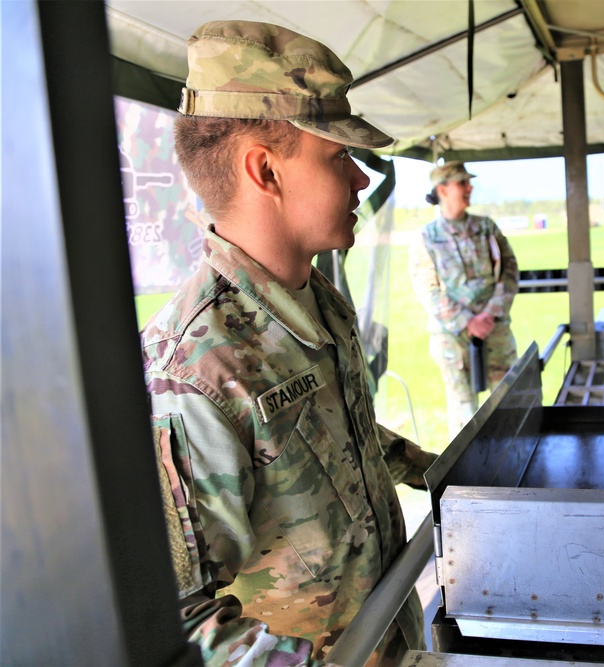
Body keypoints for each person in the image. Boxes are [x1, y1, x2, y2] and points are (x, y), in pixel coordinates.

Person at [141, 21, 436, 666]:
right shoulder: (196, 371)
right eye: (338, 157)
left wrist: (436, 470)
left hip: (390, 636)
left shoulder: (316, 298)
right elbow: (180, 620)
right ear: (264, 170)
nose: (361, 181)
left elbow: (330, 433)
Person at [409, 162, 519, 437]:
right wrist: (468, 322)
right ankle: (471, 478)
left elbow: (510, 271)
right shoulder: (427, 237)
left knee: (510, 406)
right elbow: (429, 291)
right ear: (442, 189)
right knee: (464, 417)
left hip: (495, 330)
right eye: (462, 183)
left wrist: (490, 315)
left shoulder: (486, 228)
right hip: (453, 338)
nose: (470, 187)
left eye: (468, 183)